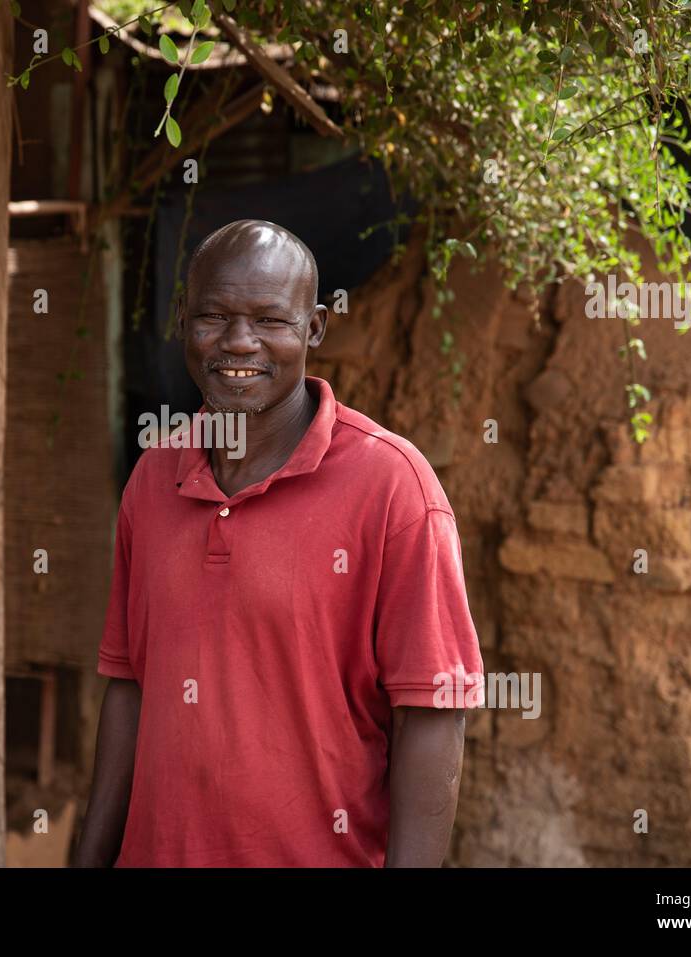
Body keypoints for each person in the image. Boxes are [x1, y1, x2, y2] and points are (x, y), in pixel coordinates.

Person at [74, 219, 485, 867]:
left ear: (314, 328)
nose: (239, 343)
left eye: (270, 320)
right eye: (213, 315)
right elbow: (128, 687)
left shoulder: (392, 487)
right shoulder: (154, 477)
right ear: (182, 318)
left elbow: (432, 714)